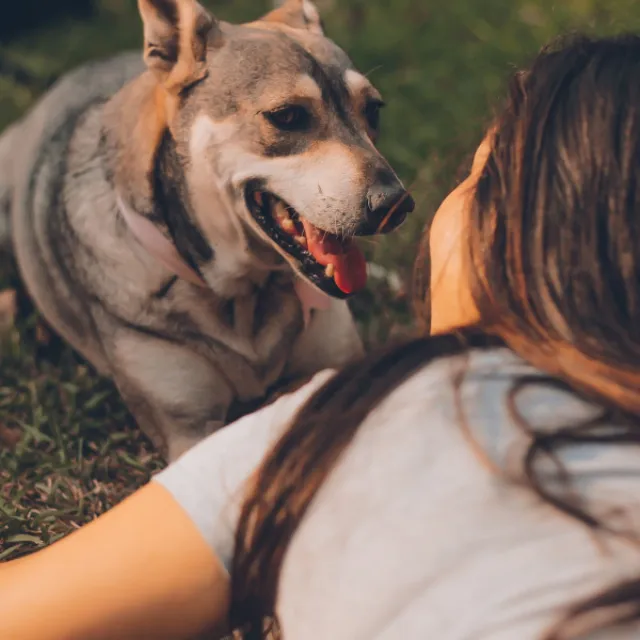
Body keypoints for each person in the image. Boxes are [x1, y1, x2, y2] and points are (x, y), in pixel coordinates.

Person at [2, 31, 640, 640]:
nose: (403, 199)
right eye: (289, 117)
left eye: (475, 176)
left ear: (539, 234)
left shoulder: (343, 429)